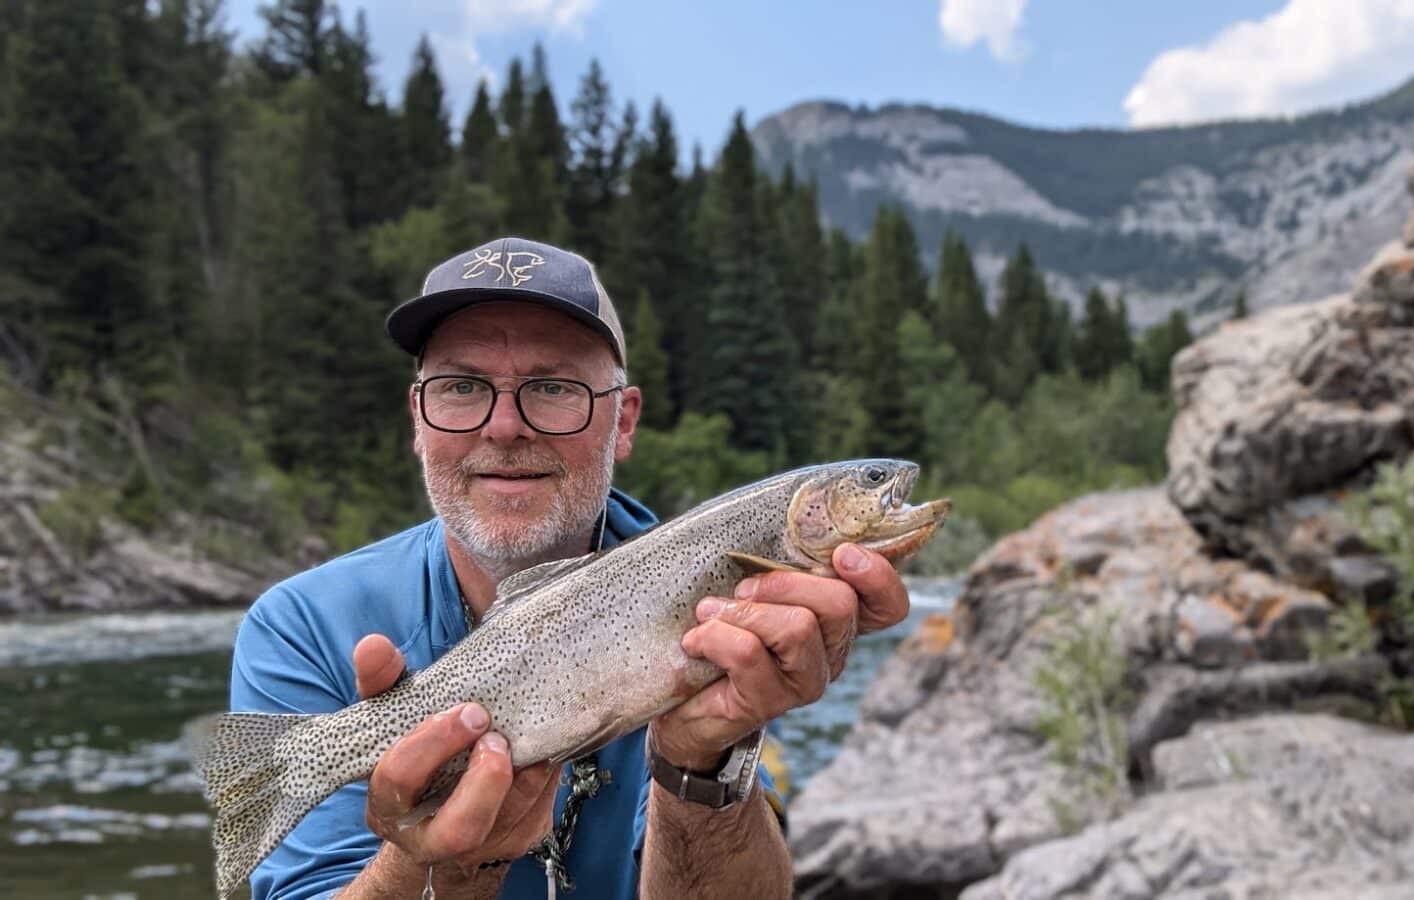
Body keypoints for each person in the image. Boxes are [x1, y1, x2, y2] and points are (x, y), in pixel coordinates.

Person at [229, 236, 912, 899]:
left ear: (624, 420)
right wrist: (435, 870)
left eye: (552, 387)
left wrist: (700, 766)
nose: (503, 427)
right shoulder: (303, 626)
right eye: (463, 386)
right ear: (417, 417)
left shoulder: (738, 600)